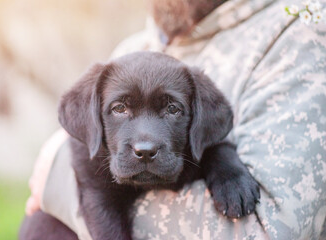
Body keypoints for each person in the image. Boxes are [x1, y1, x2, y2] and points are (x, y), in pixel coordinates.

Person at [26, 0, 326, 239]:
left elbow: (264, 229)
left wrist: (58, 180)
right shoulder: (134, 48)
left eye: (171, 109)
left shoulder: (301, 31)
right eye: (121, 109)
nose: (144, 142)